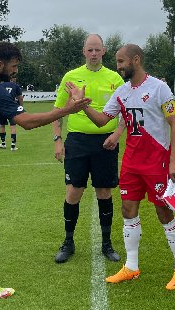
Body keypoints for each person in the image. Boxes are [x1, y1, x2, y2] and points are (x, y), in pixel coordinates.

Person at [0, 41, 90, 301]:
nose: (14, 73)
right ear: (0, 65)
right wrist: (68, 109)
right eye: (13, 67)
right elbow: (26, 122)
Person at [76, 44, 175, 290]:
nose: (118, 66)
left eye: (121, 61)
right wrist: (82, 105)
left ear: (136, 60)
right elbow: (102, 120)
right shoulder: (121, 92)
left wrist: (174, 159)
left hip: (157, 162)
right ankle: (131, 266)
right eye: (117, 62)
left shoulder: (160, 88)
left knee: (163, 212)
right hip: (130, 163)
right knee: (128, 211)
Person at [50, 34, 125, 264]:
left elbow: (125, 112)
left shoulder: (115, 78)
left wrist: (116, 134)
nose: (93, 54)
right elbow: (58, 111)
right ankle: (68, 242)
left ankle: (107, 244)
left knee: (104, 191)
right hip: (78, 142)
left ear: (103, 51)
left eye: (97, 50)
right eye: (89, 50)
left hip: (106, 143)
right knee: (74, 192)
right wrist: (58, 140)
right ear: (84, 52)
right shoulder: (71, 77)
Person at [0, 76, 23, 150]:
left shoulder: (0, 85)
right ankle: (13, 145)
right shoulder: (15, 86)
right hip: (12, 108)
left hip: (2, 108)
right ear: (11, 79)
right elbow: (20, 98)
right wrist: (21, 107)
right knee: (13, 126)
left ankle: (3, 143)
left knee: (2, 125)